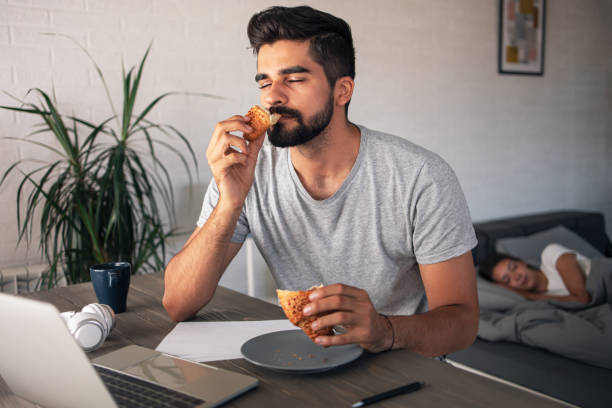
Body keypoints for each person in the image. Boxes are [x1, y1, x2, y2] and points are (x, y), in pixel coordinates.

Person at [163, 6, 479, 356]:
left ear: (342, 90)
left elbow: (462, 324)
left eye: (294, 80)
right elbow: (177, 303)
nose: (272, 97)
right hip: (304, 361)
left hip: (406, 370)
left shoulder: (420, 177)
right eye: (264, 82)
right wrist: (229, 202)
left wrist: (383, 330)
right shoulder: (247, 169)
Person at [485, 243, 592, 304]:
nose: (516, 276)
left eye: (514, 267)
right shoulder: (543, 302)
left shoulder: (550, 255)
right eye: (507, 280)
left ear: (522, 262)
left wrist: (530, 296)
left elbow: (583, 299)